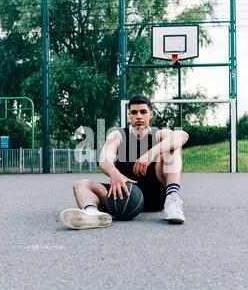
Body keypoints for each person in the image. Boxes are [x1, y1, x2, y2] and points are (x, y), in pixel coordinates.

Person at [60, 94, 189, 229]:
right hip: (123, 195)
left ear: (150, 114)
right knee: (81, 184)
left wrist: (151, 154)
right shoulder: (118, 136)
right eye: (134, 112)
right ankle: (92, 214)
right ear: (129, 116)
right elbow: (104, 159)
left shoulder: (159, 134)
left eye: (143, 112)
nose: (139, 116)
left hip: (156, 197)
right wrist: (113, 172)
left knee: (172, 149)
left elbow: (183, 135)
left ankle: (172, 199)